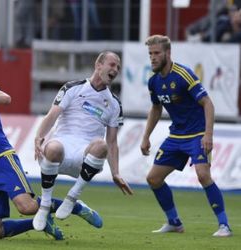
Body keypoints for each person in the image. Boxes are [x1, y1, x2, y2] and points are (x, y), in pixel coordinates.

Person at [0, 64, 102, 240]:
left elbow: (5, 98)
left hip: (1, 159)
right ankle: (41, 223)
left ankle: (76, 207)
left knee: (28, 207)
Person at [141, 34, 232, 237]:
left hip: (197, 134)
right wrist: (146, 136)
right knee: (153, 179)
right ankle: (174, 222)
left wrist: (208, 135)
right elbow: (156, 109)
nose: (153, 58)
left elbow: (207, 103)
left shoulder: (184, 74)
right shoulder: (153, 82)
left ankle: (224, 225)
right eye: (150, 54)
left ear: (167, 53)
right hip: (176, 136)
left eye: (156, 53)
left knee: (203, 175)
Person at [32, 51, 133, 231]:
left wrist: (115, 172)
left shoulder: (115, 104)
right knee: (53, 147)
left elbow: (111, 142)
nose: (115, 69)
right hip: (62, 147)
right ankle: (45, 205)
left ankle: (72, 197)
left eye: (118, 67)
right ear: (98, 65)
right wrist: (39, 137)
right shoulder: (73, 87)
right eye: (112, 64)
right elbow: (52, 114)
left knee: (101, 145)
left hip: (85, 154)